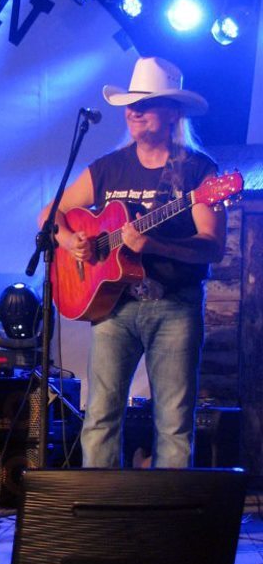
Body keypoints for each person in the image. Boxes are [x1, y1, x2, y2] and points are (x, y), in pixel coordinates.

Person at [42, 57, 226, 468]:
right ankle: (101, 504)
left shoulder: (198, 171)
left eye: (146, 103)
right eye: (130, 104)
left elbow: (212, 247)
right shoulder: (108, 168)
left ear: (173, 112)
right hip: (114, 307)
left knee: (173, 425)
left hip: (175, 306)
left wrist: (152, 244)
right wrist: (71, 241)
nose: (134, 111)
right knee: (99, 418)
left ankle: (166, 508)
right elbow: (50, 214)